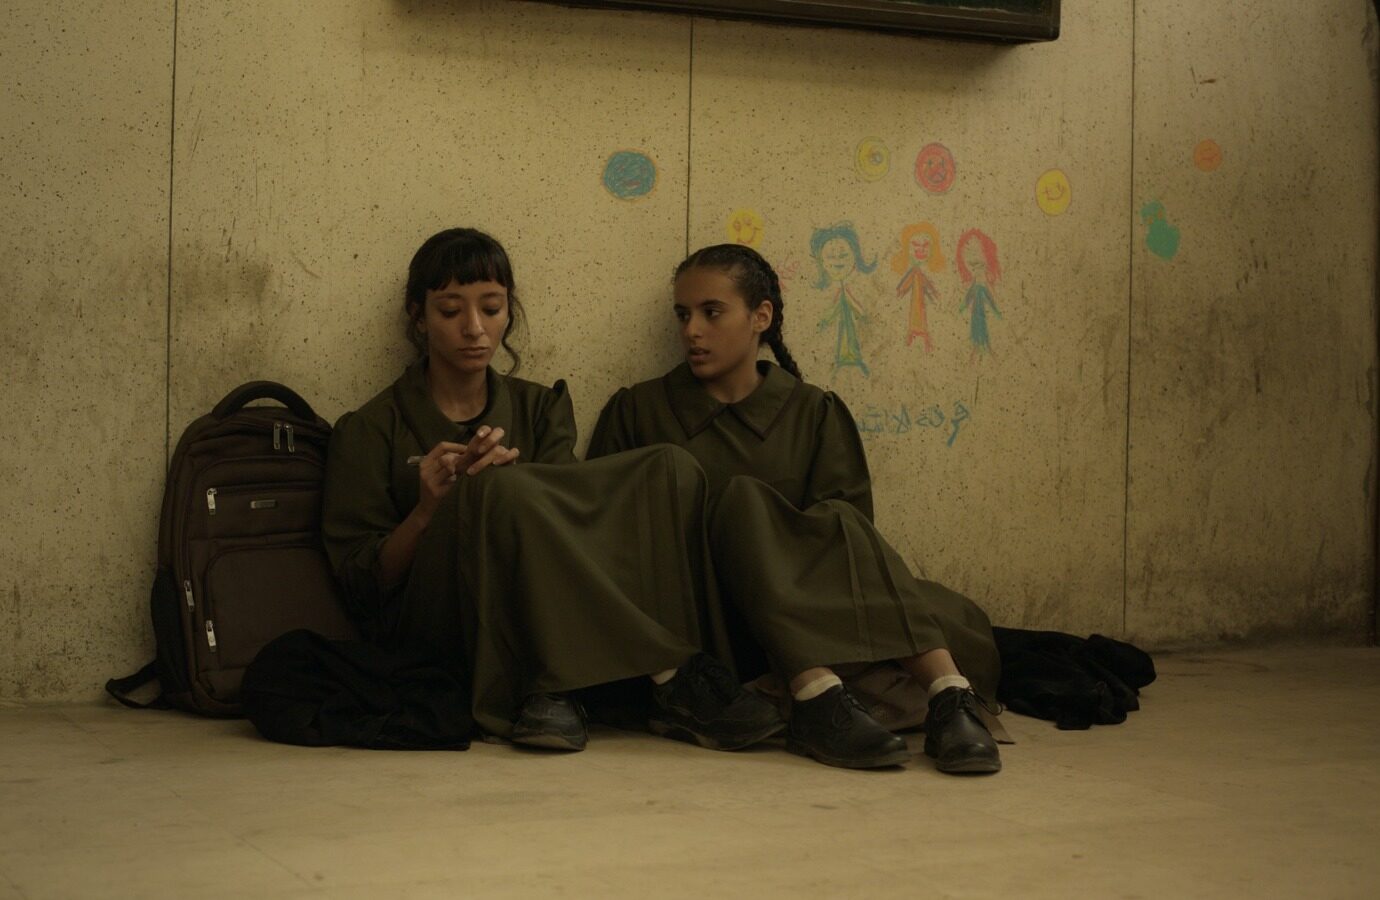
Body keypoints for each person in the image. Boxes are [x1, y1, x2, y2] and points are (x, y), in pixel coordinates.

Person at [321, 228, 782, 753]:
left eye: (491, 308)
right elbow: (363, 587)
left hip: (538, 610)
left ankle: (560, 687)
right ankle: (667, 674)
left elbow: (576, 529)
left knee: (667, 466)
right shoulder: (369, 428)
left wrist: (520, 492)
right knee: (498, 489)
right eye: (450, 311)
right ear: (419, 317)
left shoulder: (540, 408)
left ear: (508, 312)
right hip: (441, 624)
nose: (474, 328)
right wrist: (427, 511)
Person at [588, 243, 1003, 774]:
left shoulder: (813, 410)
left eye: (711, 312)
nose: (692, 330)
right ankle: (821, 691)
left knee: (954, 615)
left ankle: (949, 696)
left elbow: (848, 545)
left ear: (761, 316)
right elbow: (607, 540)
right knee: (743, 500)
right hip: (702, 623)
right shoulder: (639, 410)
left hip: (810, 610)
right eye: (683, 315)